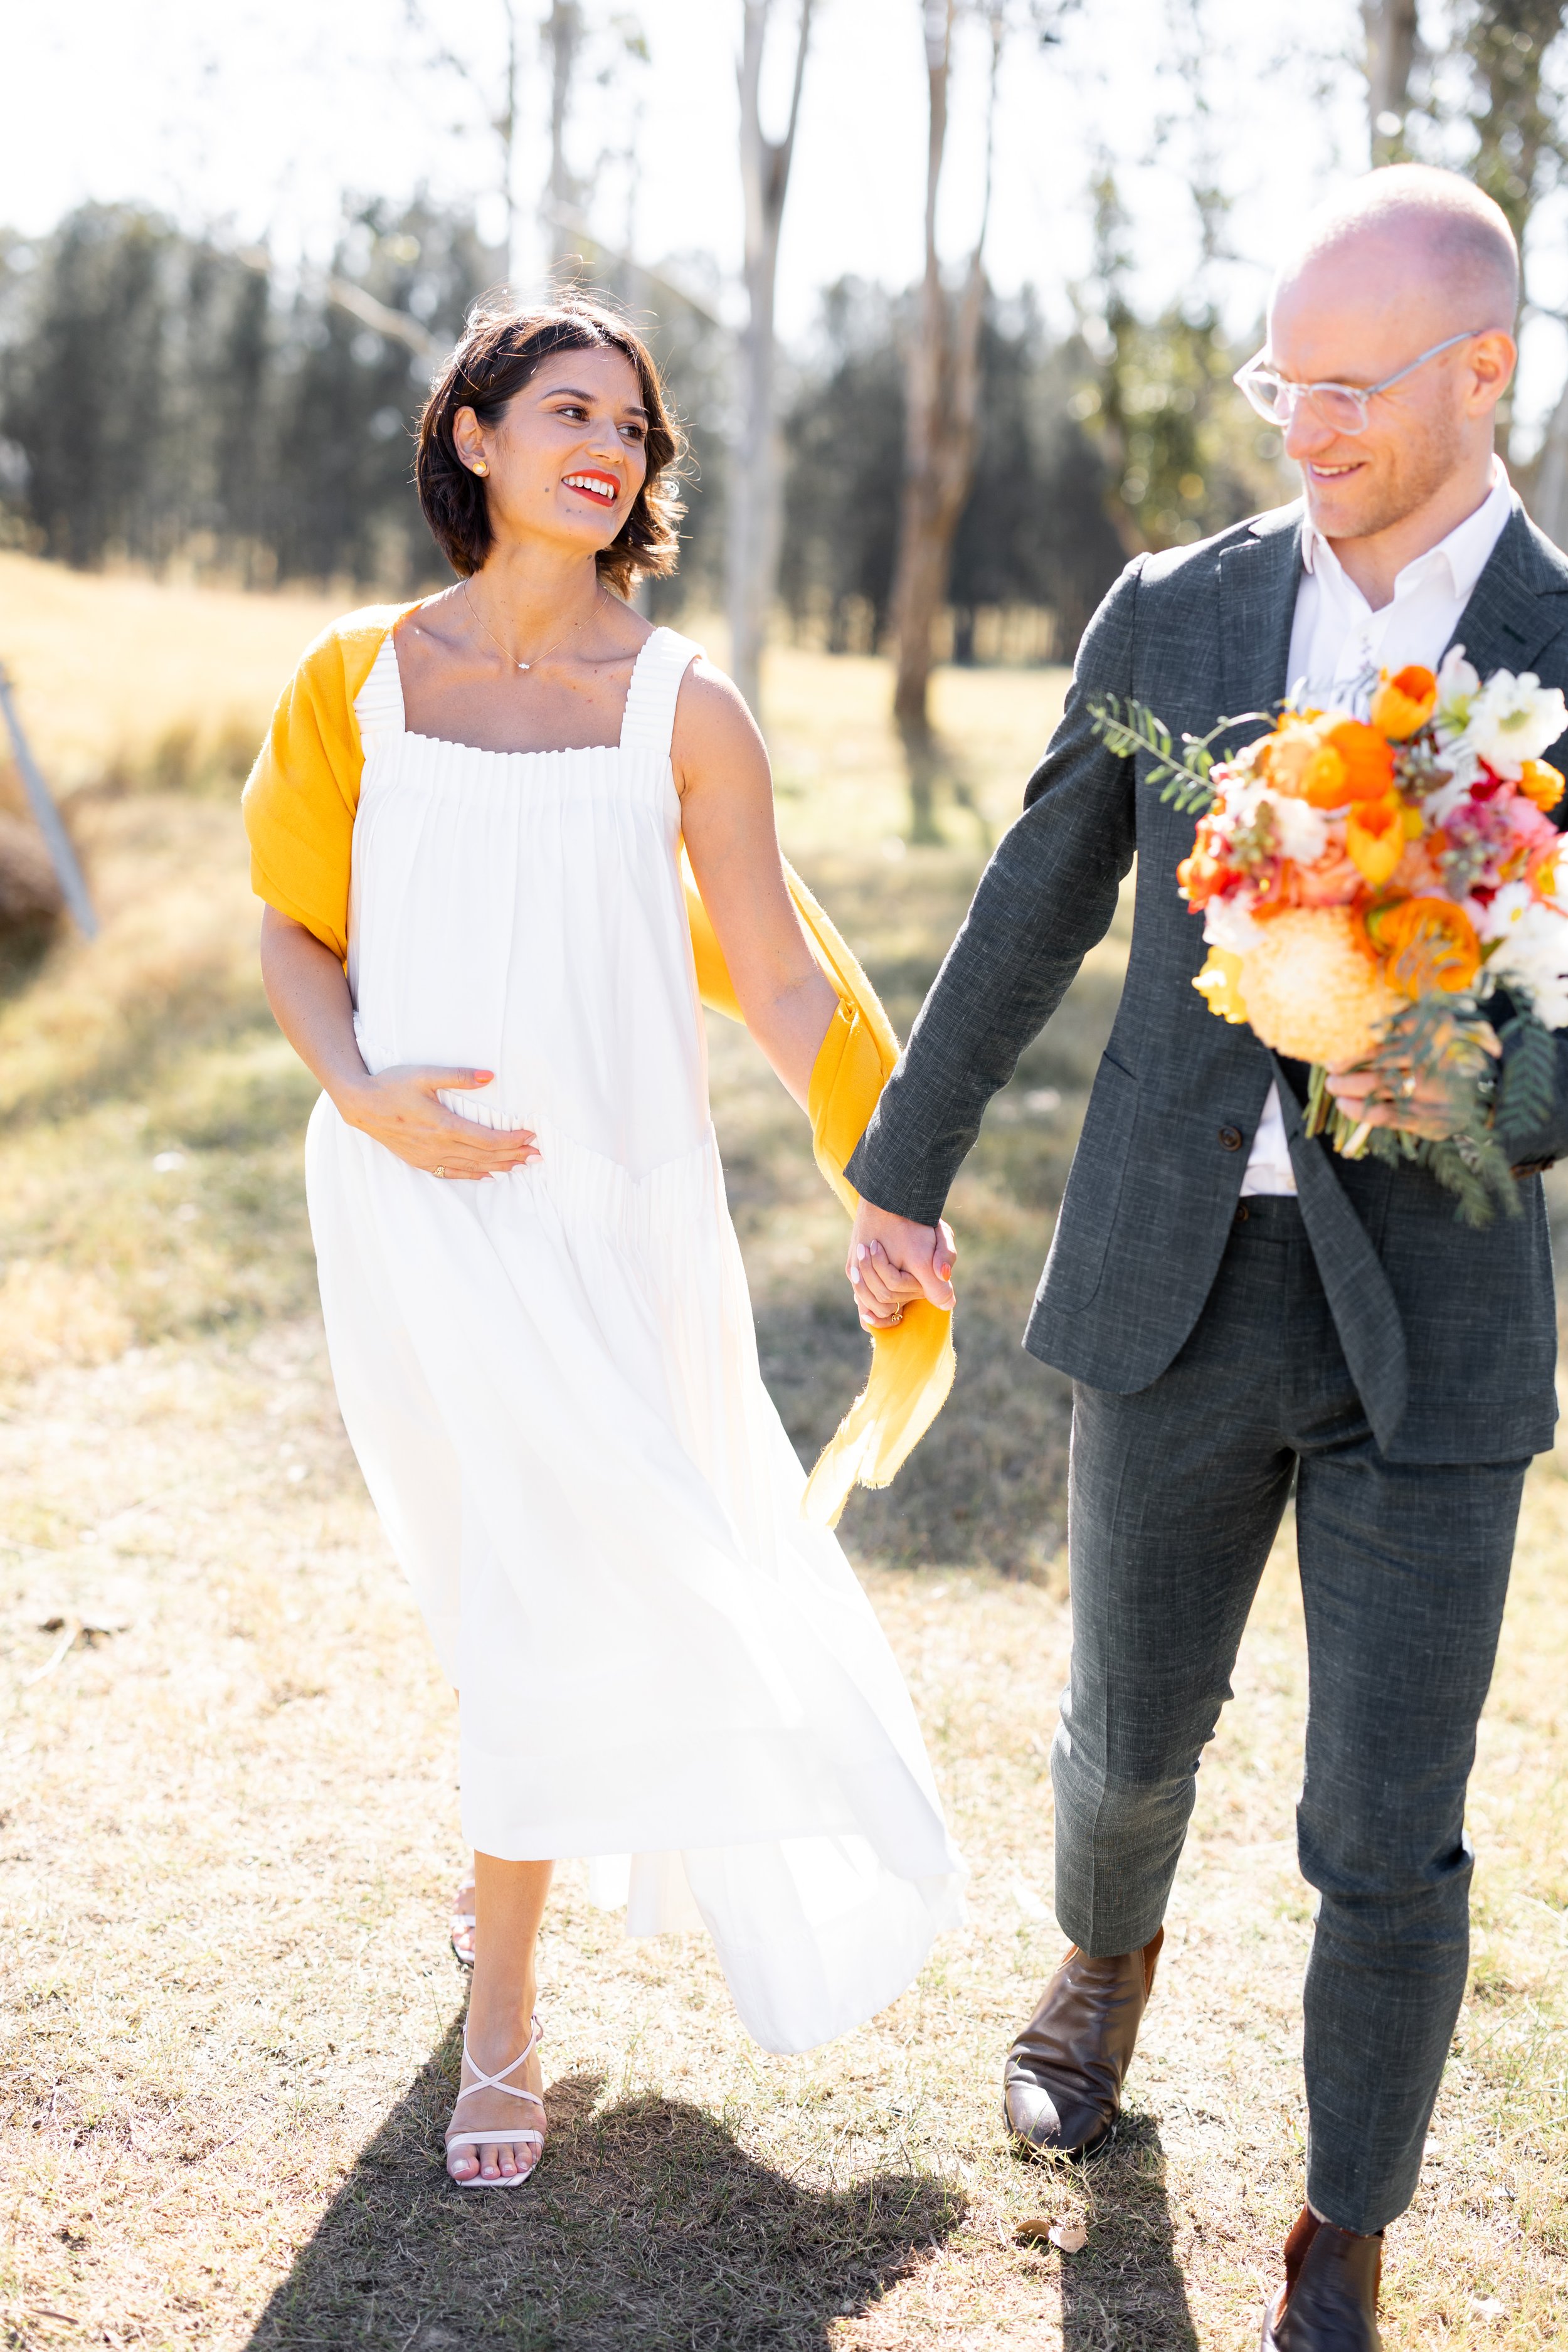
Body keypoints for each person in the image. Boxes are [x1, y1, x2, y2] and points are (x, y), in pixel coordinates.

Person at [840, 166, 1568, 2349]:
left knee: (1385, 1827)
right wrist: (900, 1157)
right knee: (1124, 1735)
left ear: (1484, 373)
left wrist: (1502, 1105)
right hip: (1171, 1277)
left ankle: (1342, 2234)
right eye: (1280, 377)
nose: (1299, 424)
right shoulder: (1171, 609)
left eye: (1344, 386)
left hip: (1434, 1325)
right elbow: (1036, 889)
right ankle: (1101, 1970)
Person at [243, 297, 962, 2191]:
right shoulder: (352, 682)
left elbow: (790, 979)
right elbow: (292, 936)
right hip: (412, 1201)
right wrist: (362, 1090)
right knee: (515, 1592)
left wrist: (883, 1183)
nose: (609, 445)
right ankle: (505, 1979)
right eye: (567, 409)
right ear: (469, 437)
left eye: (634, 426)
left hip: (620, 1216)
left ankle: (502, 2014)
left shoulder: (682, 705)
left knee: (587, 1588)